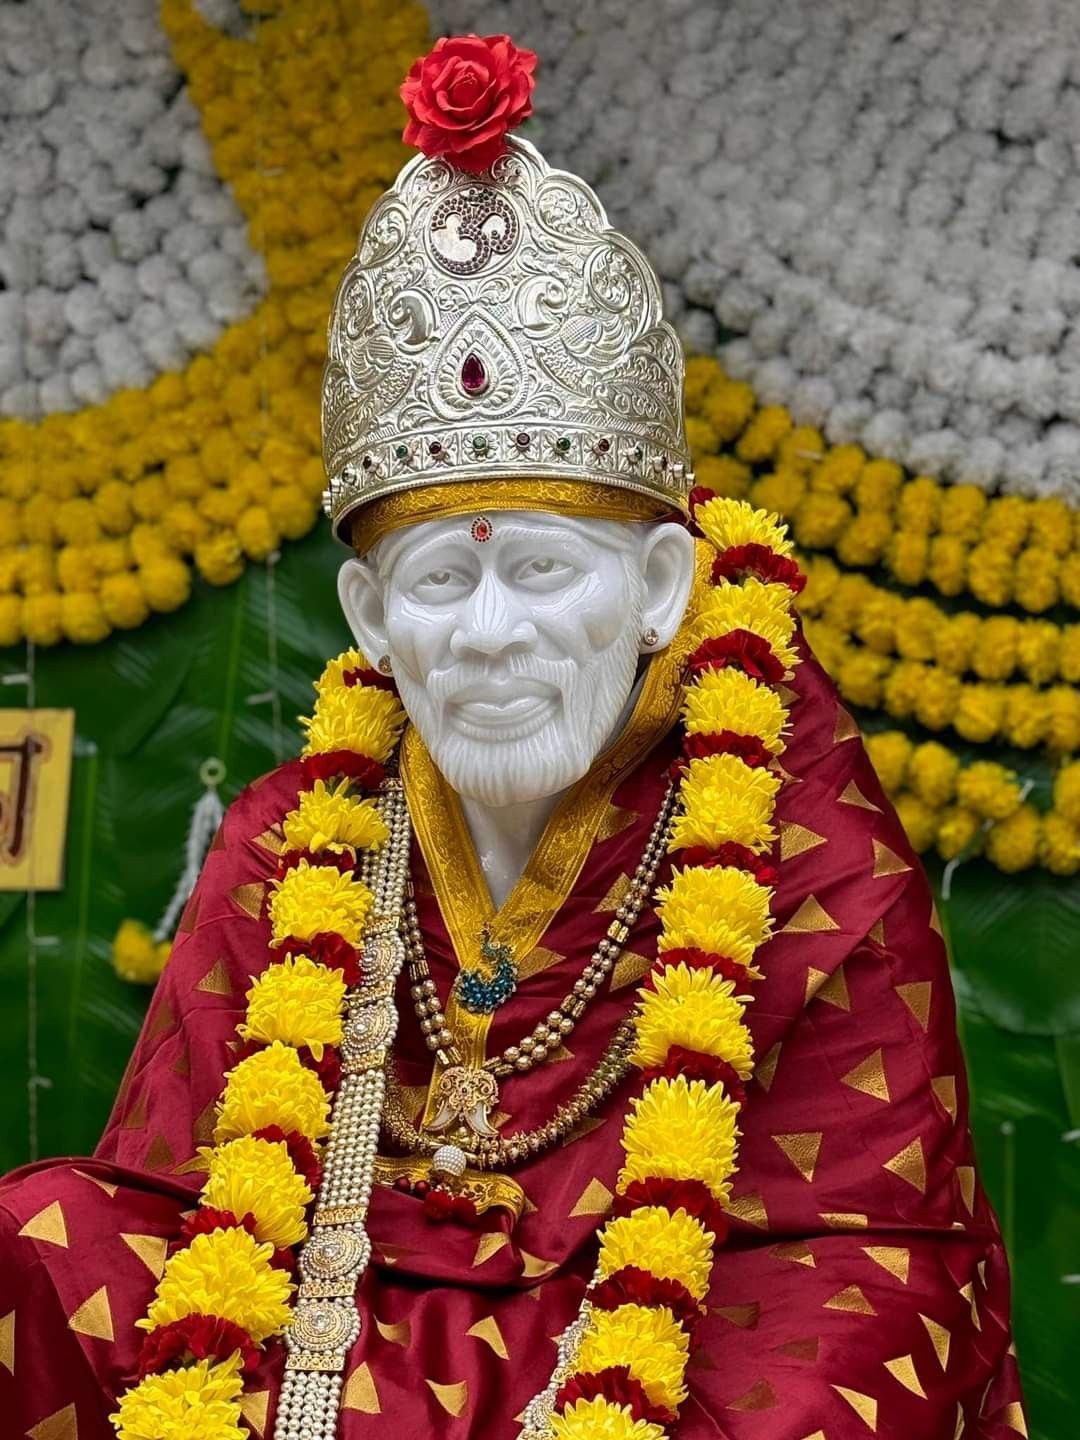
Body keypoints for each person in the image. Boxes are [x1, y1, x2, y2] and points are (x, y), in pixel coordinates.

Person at [0, 33, 1024, 1440]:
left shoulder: (808, 853)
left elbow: (876, 1246)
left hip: (673, 1332)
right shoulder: (294, 841)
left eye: (541, 570)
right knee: (38, 1242)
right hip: (334, 1316)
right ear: (370, 617)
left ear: (657, 587)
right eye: (439, 581)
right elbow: (184, 1192)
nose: (488, 633)